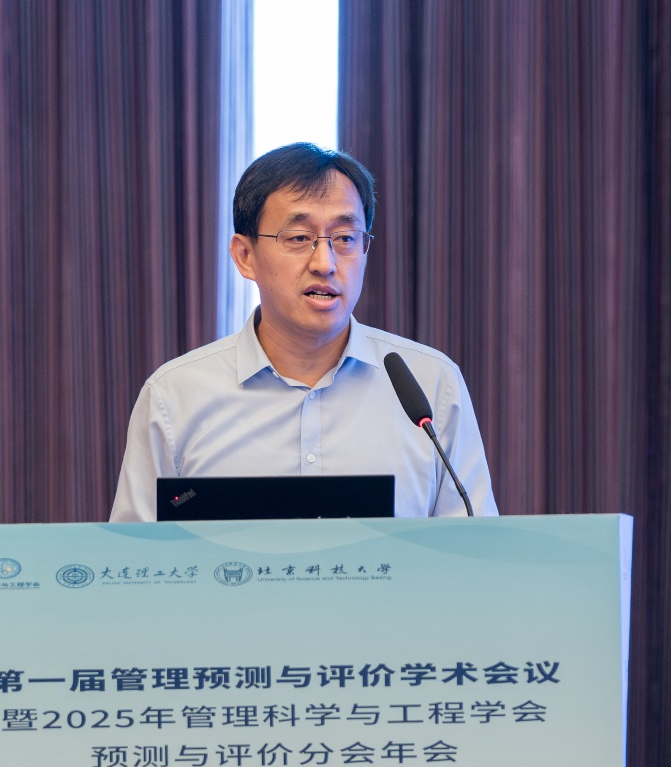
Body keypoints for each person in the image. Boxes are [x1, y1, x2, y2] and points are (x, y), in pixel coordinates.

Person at [108, 143, 497, 521]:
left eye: (345, 239)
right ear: (245, 256)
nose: (325, 263)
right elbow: (135, 558)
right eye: (299, 238)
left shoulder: (432, 386)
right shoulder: (174, 397)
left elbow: (475, 550)